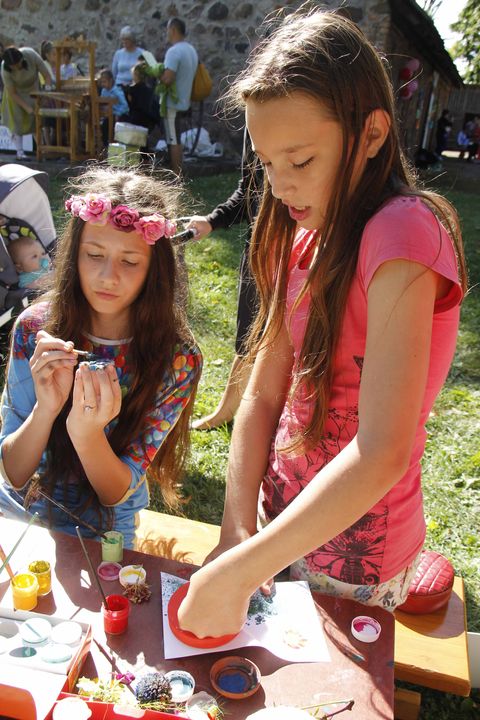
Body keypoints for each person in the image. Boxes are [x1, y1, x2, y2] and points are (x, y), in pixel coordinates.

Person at [176, 9, 467, 639]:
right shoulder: (305, 235)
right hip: (279, 528)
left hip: (356, 560)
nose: (279, 186)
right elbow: (262, 395)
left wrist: (241, 571)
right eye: (266, 163)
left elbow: (381, 451)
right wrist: (237, 531)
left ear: (371, 133)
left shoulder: (403, 232)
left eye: (301, 160)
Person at [0, 166, 202, 549]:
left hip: (105, 522)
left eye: (130, 261)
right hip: (19, 507)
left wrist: (87, 433)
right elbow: (13, 473)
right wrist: (45, 409)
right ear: (73, 254)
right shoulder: (34, 329)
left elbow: (114, 493)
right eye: (94, 255)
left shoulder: (176, 358)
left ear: (155, 269)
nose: (108, 276)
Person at [187, 131, 262, 430]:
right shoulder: (253, 124)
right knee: (249, 337)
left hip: (306, 251)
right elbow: (249, 191)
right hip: (260, 251)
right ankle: (226, 411)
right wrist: (212, 221)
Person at [159, 17, 198, 175]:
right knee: (176, 137)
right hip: (185, 101)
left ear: (173, 30)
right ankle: (177, 171)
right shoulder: (191, 49)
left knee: (173, 139)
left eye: (168, 29)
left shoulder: (174, 51)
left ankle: (176, 175)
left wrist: (157, 74)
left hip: (173, 104)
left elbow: (168, 78)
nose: (167, 33)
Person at [0, 46, 53, 160]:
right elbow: (13, 93)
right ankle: (20, 153)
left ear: (22, 58)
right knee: (17, 121)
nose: (17, 68)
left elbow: (47, 75)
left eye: (18, 64)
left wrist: (47, 92)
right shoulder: (5, 69)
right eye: (13, 66)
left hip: (33, 90)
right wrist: (28, 108)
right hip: (15, 94)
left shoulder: (31, 55)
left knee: (36, 122)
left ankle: (42, 151)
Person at [98, 68, 129, 146]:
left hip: (119, 115)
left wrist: (118, 113)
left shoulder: (117, 91)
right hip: (108, 115)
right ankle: (105, 145)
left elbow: (125, 106)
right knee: (103, 126)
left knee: (107, 126)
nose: (103, 84)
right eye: (101, 82)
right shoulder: (104, 91)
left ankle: (110, 145)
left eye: (104, 82)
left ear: (111, 80)